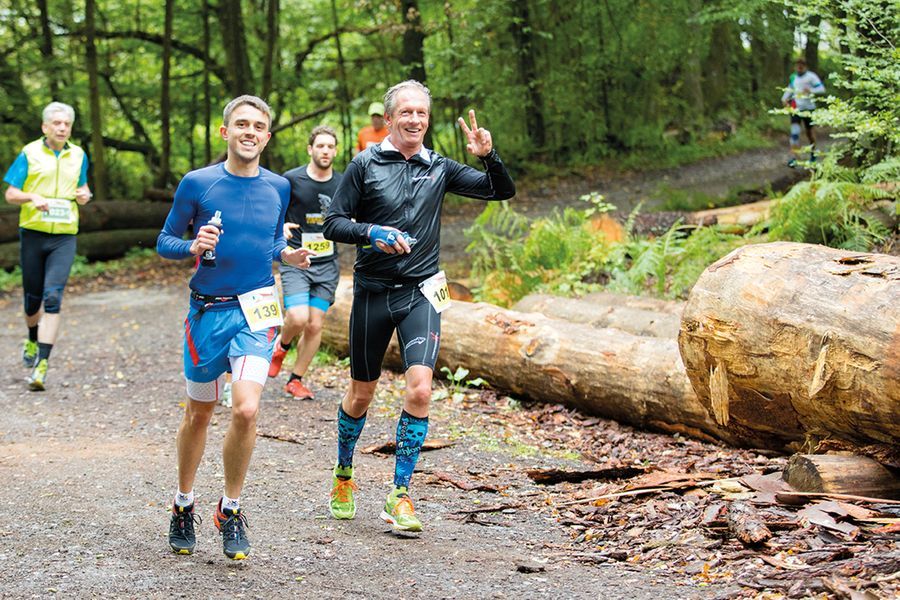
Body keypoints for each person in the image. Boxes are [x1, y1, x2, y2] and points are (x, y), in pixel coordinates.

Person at [323, 80, 515, 533]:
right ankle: (344, 474)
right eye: (405, 112)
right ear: (389, 119)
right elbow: (333, 223)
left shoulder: (439, 167)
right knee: (361, 394)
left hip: (421, 292)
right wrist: (371, 233)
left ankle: (400, 494)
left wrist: (488, 155)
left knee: (422, 390)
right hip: (373, 292)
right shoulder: (364, 164)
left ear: (427, 120)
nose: (414, 120)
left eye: (421, 113)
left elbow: (500, 190)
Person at [157, 95, 313, 560]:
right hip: (207, 313)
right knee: (199, 414)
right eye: (241, 124)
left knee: (246, 409)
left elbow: (271, 240)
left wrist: (287, 255)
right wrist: (191, 245)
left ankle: (230, 508)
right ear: (225, 132)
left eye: (258, 126)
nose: (250, 132)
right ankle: (183, 502)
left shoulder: (279, 186)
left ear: (267, 137)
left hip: (257, 310)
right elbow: (164, 240)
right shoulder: (198, 182)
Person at [3, 102, 91, 391]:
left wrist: (85, 195)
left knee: (53, 297)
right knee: (32, 300)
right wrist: (32, 197)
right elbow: (10, 194)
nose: (62, 128)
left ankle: (41, 365)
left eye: (66, 124)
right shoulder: (29, 153)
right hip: (33, 233)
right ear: (45, 127)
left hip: (64, 236)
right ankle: (31, 338)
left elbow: (83, 188)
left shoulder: (79, 155)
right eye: (57, 123)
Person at [268, 126, 344, 399]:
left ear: (335, 151)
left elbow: (351, 213)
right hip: (296, 260)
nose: (325, 151)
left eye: (330, 146)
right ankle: (282, 345)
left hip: (327, 265)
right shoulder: (291, 179)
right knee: (298, 317)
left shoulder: (342, 182)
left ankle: (295, 380)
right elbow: (273, 209)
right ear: (310, 149)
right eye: (320, 146)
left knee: (315, 325)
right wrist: (280, 228)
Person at [781, 58, 825, 166]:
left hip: (809, 109)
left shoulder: (811, 76)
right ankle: (794, 159)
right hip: (796, 108)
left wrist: (811, 90)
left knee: (810, 133)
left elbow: (821, 89)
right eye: (798, 65)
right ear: (795, 66)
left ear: (805, 66)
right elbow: (790, 89)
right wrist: (784, 99)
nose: (799, 67)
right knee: (794, 133)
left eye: (802, 65)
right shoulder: (793, 77)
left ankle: (813, 155)